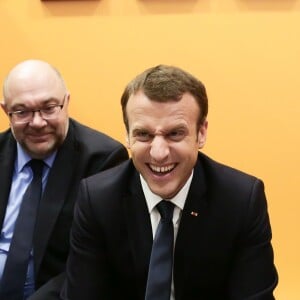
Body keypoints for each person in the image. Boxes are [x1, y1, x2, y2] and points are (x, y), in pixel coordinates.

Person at [62, 65, 278, 299]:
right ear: (127, 135)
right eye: (143, 134)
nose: (158, 152)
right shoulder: (97, 200)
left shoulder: (241, 201)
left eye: (175, 134)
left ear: (201, 133)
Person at [0, 59, 129, 300]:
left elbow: (95, 264)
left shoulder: (103, 160)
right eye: (22, 111)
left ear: (66, 102)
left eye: (49, 108)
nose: (37, 122)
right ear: (6, 111)